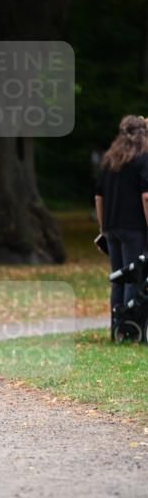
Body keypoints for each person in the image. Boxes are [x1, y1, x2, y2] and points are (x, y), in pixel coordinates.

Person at [94, 115, 148, 337]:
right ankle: (130, 329)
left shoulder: (109, 160)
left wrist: (103, 228)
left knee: (117, 278)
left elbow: (98, 197)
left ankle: (116, 327)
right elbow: (146, 197)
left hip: (111, 227)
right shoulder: (143, 158)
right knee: (133, 278)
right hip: (134, 227)